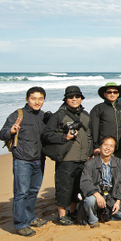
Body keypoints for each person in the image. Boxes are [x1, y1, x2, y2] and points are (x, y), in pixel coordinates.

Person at [0, 87, 48, 237]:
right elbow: (1, 134)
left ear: (44, 100)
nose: (37, 102)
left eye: (40, 99)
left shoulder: (44, 116)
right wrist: (11, 131)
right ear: (27, 99)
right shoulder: (18, 114)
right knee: (21, 193)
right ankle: (21, 224)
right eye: (33, 98)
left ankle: (31, 217)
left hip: (39, 159)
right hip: (22, 160)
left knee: (33, 191)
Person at [42, 86, 92, 225]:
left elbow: (89, 135)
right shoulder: (59, 115)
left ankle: (72, 211)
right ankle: (62, 215)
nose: (74, 99)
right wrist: (65, 137)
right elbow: (47, 134)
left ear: (81, 98)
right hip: (66, 158)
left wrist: (89, 153)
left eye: (77, 96)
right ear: (66, 99)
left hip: (83, 158)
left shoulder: (85, 115)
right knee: (64, 187)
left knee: (77, 187)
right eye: (71, 97)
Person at [80, 137, 121, 227]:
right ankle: (93, 220)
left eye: (111, 146)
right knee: (89, 201)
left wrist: (118, 201)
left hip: (112, 196)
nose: (108, 148)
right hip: (97, 195)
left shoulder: (119, 162)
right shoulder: (90, 163)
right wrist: (96, 194)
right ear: (100, 146)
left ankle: (104, 216)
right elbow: (85, 182)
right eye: (106, 145)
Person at [90, 82, 121, 157]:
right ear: (104, 94)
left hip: (120, 147)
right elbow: (94, 129)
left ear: (118, 94)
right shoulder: (98, 108)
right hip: (105, 148)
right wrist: (96, 146)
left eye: (115, 92)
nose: (112, 94)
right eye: (109, 92)